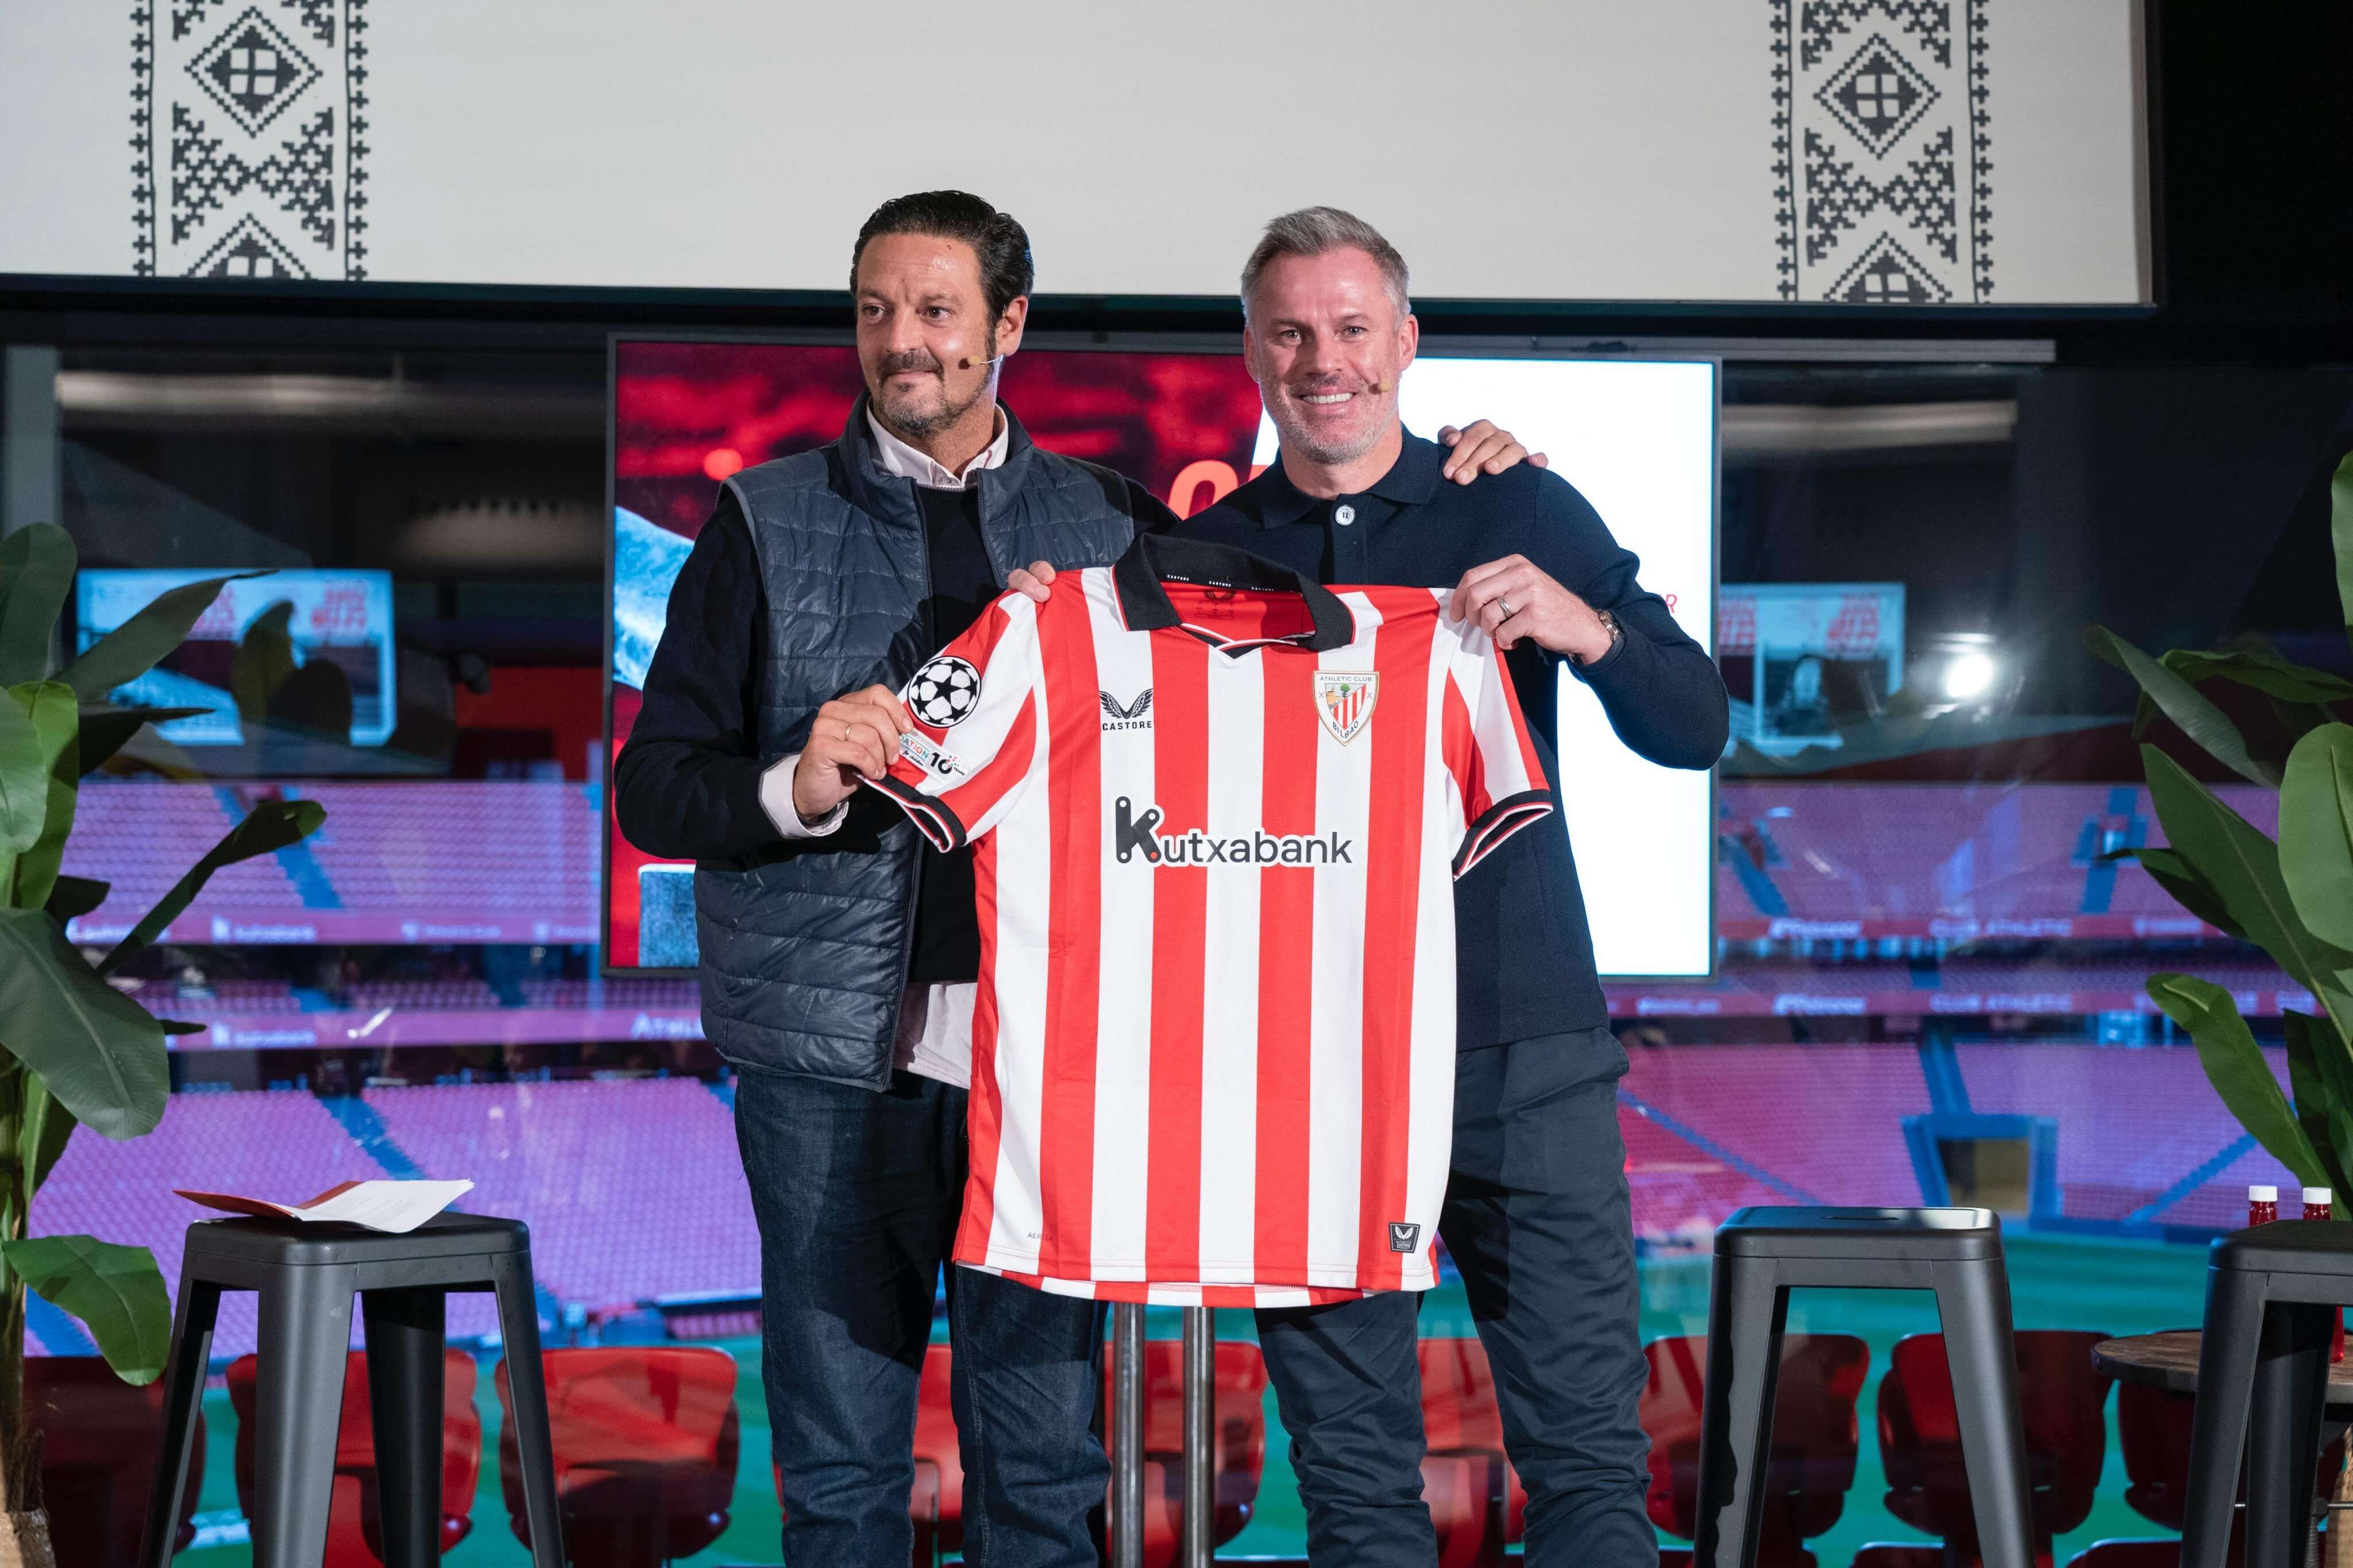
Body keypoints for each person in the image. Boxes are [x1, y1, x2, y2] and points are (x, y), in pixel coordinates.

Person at [612, 190, 1538, 1567]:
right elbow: (653, 792)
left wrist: (1477, 475)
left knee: (1043, 1483)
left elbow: (1289, 665)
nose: (900, 343)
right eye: (873, 312)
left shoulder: (1106, 519)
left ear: (1008, 326)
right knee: (842, 1477)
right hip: (825, 1073)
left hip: (1052, 1079)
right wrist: (794, 786)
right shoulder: (760, 520)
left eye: (934, 312)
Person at [1021, 206, 1730, 1567]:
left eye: (1350, 328)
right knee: (1353, 1496)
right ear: (1250, 352)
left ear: (1404, 342)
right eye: (1290, 331)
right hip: (1309, 1081)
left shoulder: (1513, 502)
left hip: (1519, 1048)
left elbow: (1695, 724)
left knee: (1586, 1474)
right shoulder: (1192, 559)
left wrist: (1585, 632)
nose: (1322, 358)